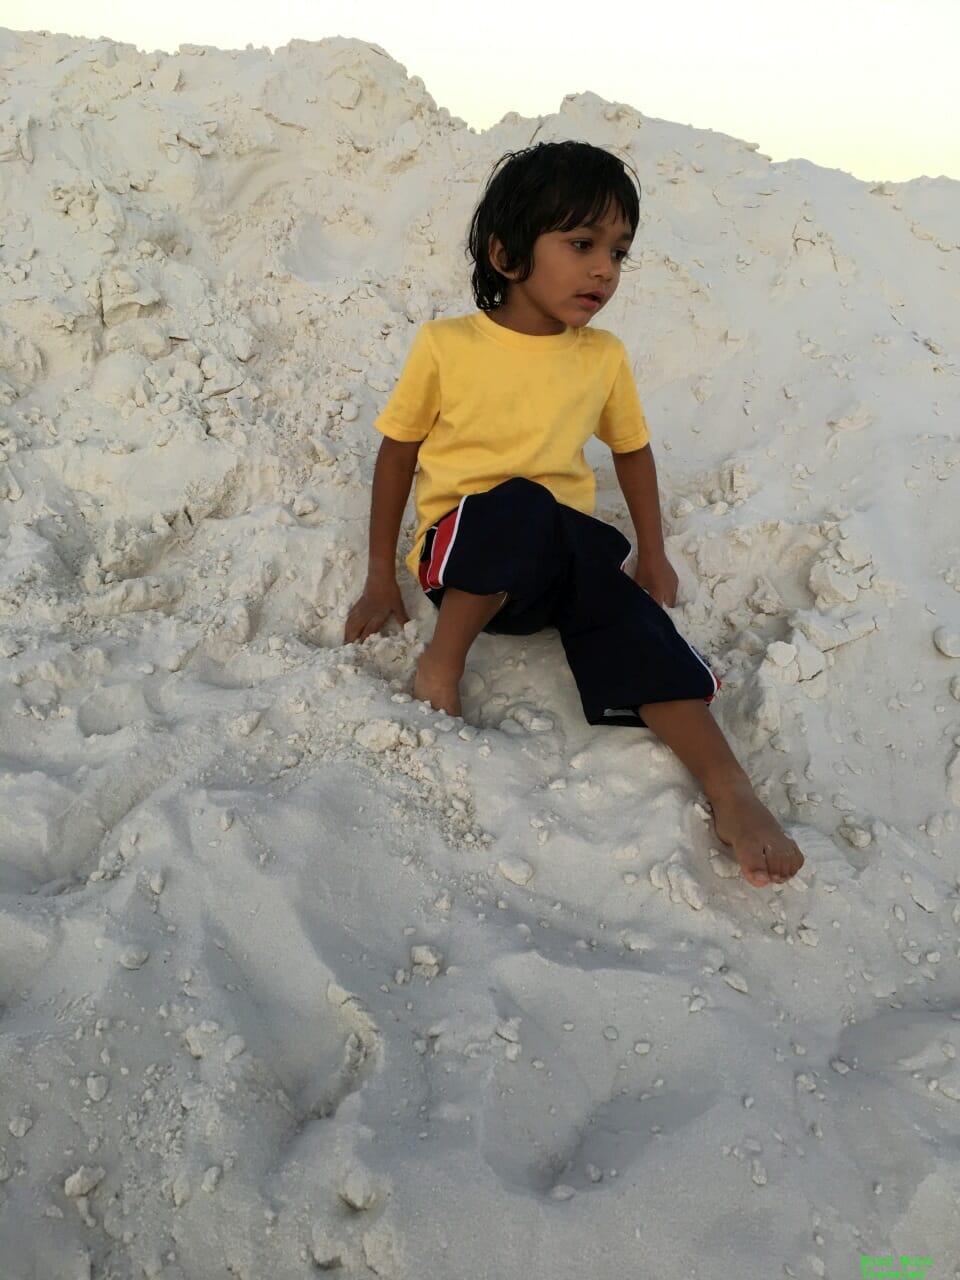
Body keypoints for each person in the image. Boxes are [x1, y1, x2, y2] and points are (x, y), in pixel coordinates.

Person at [345, 140, 804, 888]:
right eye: (582, 244)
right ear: (506, 253)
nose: (604, 269)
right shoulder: (447, 345)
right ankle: (441, 665)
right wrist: (378, 578)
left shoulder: (602, 356)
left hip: (553, 560)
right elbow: (398, 454)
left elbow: (632, 451)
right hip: (463, 553)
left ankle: (729, 788)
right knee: (521, 500)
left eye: (620, 252)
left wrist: (652, 554)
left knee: (628, 609)